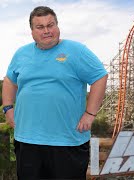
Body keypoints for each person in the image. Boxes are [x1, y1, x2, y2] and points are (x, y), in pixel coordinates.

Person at [2, 6, 108, 179]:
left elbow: (99, 77)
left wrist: (90, 114)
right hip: (27, 140)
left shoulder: (77, 50)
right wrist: (7, 108)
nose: (47, 31)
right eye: (40, 27)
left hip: (67, 141)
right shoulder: (21, 53)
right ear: (32, 32)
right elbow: (9, 80)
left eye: (50, 25)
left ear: (57, 26)